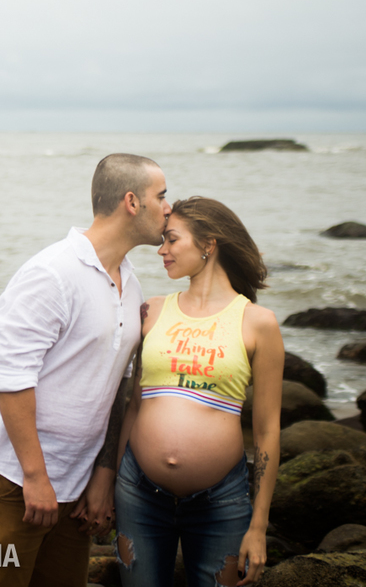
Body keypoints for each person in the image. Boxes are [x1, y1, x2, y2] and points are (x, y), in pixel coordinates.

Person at [0, 153, 171, 587]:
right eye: (162, 196)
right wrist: (35, 477)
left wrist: (102, 474)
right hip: (14, 477)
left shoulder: (129, 281)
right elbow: (10, 377)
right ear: (132, 202)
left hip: (75, 486)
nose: (169, 207)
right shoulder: (51, 273)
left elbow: (114, 389)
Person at [112, 196, 284, 587]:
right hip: (137, 492)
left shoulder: (257, 323)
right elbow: (134, 405)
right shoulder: (152, 311)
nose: (162, 250)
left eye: (172, 240)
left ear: (209, 244)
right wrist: (109, 483)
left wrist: (258, 526)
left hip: (221, 503)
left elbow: (267, 431)